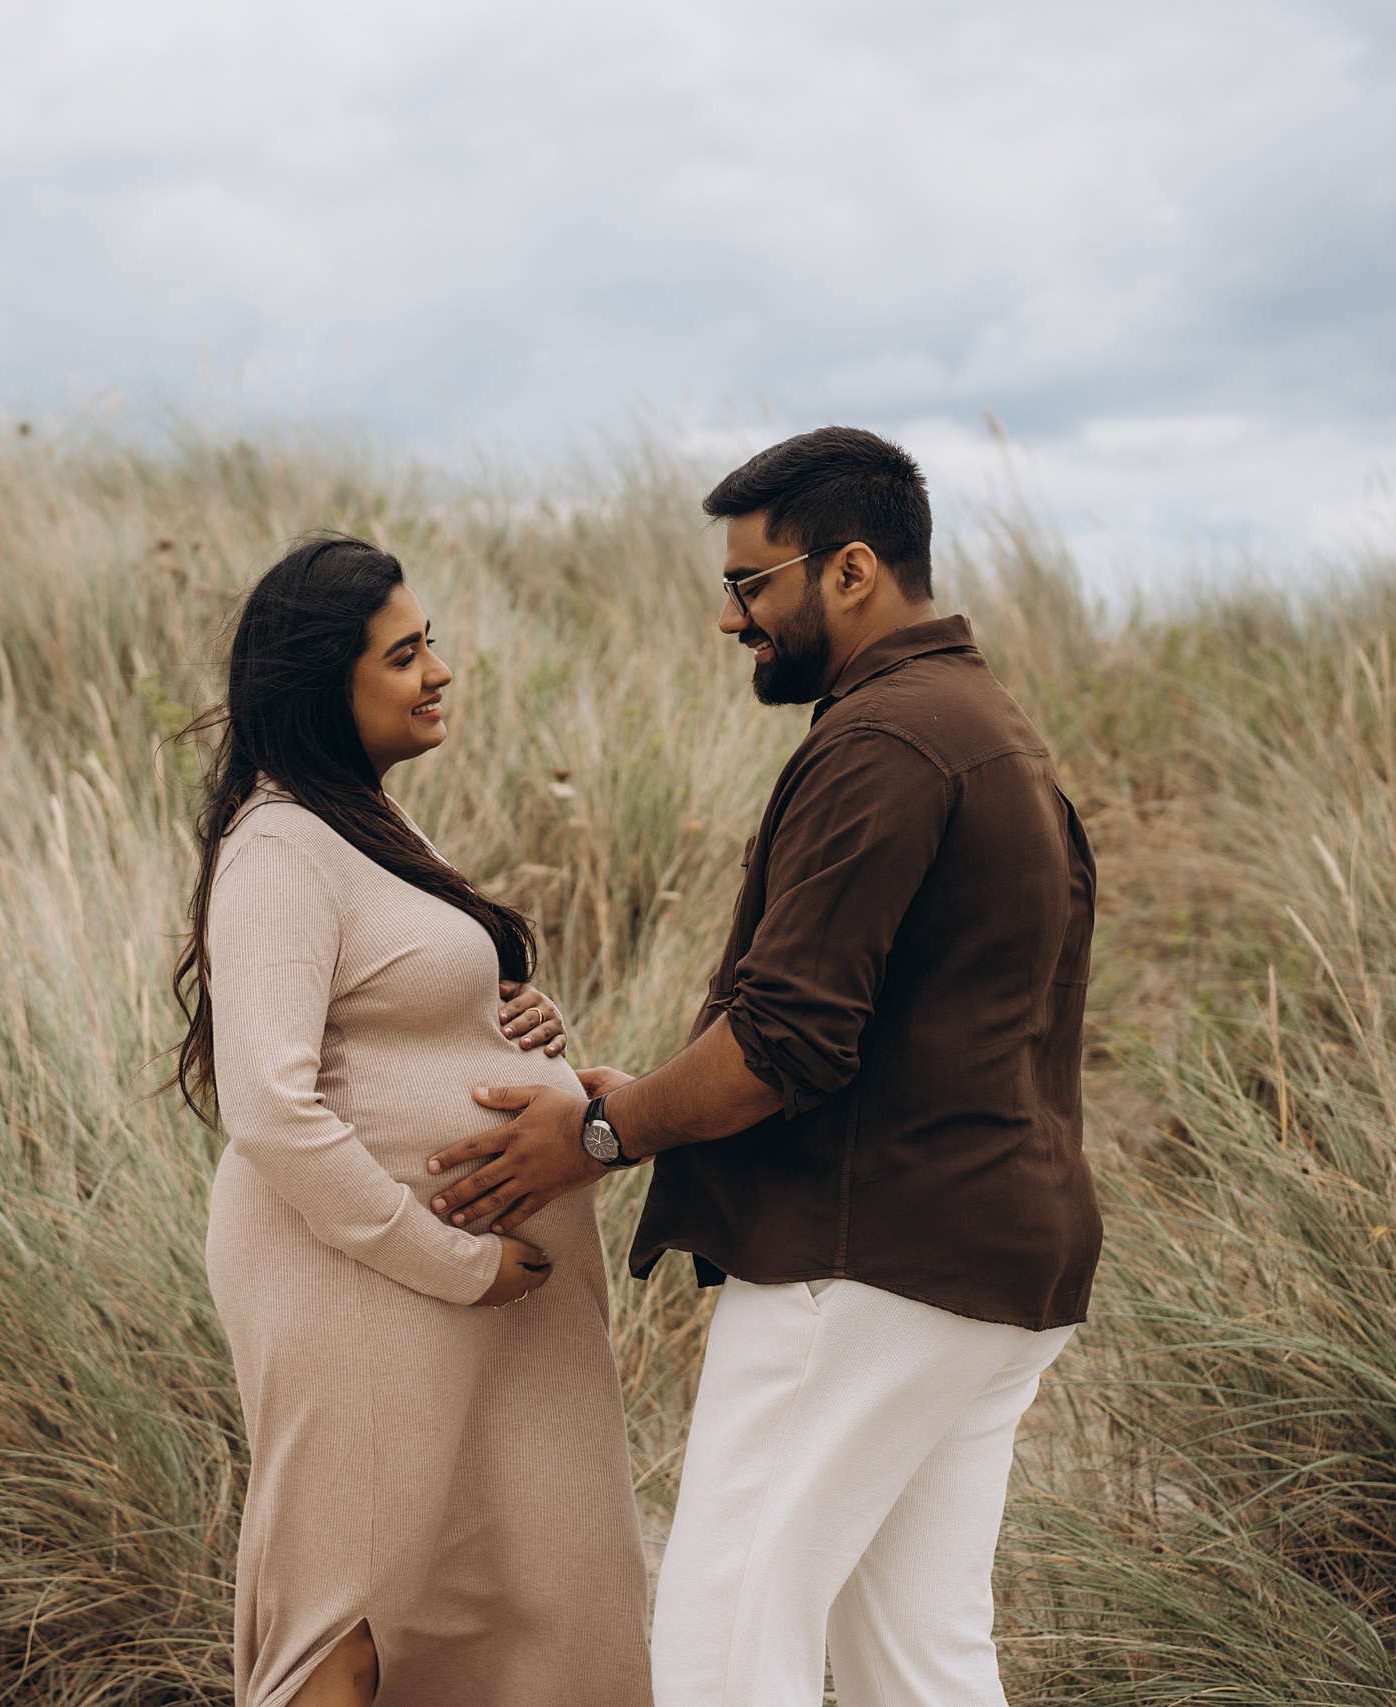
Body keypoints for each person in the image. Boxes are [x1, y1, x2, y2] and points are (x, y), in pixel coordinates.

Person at [424, 429, 1104, 1707]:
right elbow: (910, 1026)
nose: (731, 617)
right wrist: (644, 1095)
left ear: (849, 571)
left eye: (750, 583)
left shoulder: (885, 743)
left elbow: (785, 1042)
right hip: (994, 1260)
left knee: (723, 1657)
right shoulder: (989, 729)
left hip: (867, 1265)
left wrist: (602, 1134)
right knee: (921, 1666)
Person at [176, 534, 653, 1707]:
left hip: (457, 1287)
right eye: (402, 655)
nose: (437, 671)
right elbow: (268, 1108)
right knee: (351, 1616)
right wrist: (453, 1263)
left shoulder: (365, 827)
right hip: (361, 1277)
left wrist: (520, 1029)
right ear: (320, 684)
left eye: (429, 643)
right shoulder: (277, 847)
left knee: (495, 1587)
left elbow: (398, 1008)